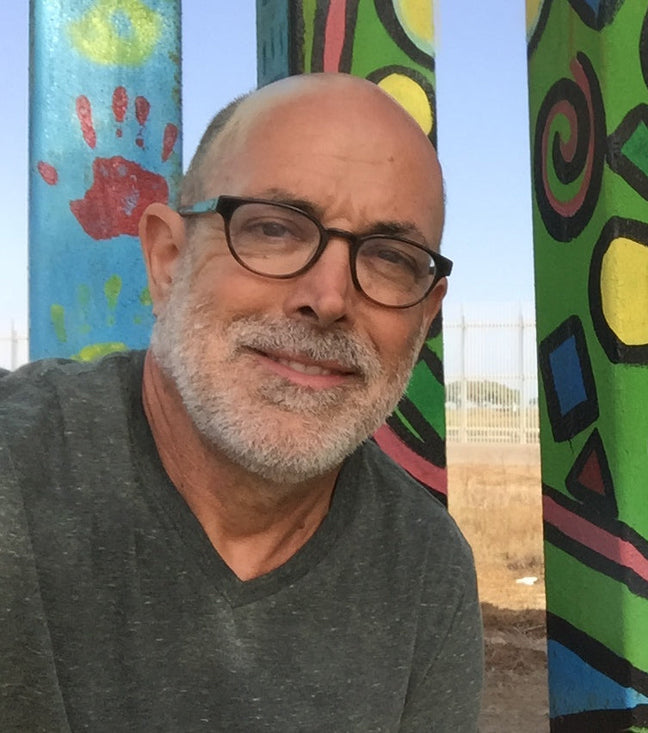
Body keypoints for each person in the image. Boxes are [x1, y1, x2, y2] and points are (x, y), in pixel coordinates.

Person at [0, 73, 483, 730]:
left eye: (391, 258)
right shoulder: (17, 480)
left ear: (425, 316)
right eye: (275, 229)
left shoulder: (423, 567)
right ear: (168, 259)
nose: (329, 297)